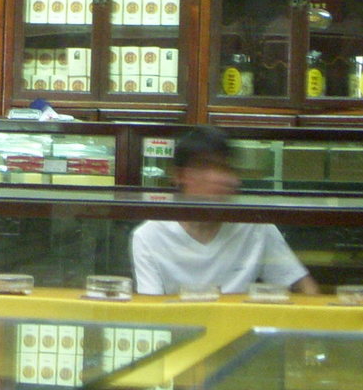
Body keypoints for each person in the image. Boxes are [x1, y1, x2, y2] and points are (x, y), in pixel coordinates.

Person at [131, 125, 319, 296]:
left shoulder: (256, 227)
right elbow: (150, 312)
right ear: (180, 176)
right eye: (206, 167)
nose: (220, 178)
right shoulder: (149, 236)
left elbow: (306, 290)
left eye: (226, 168)